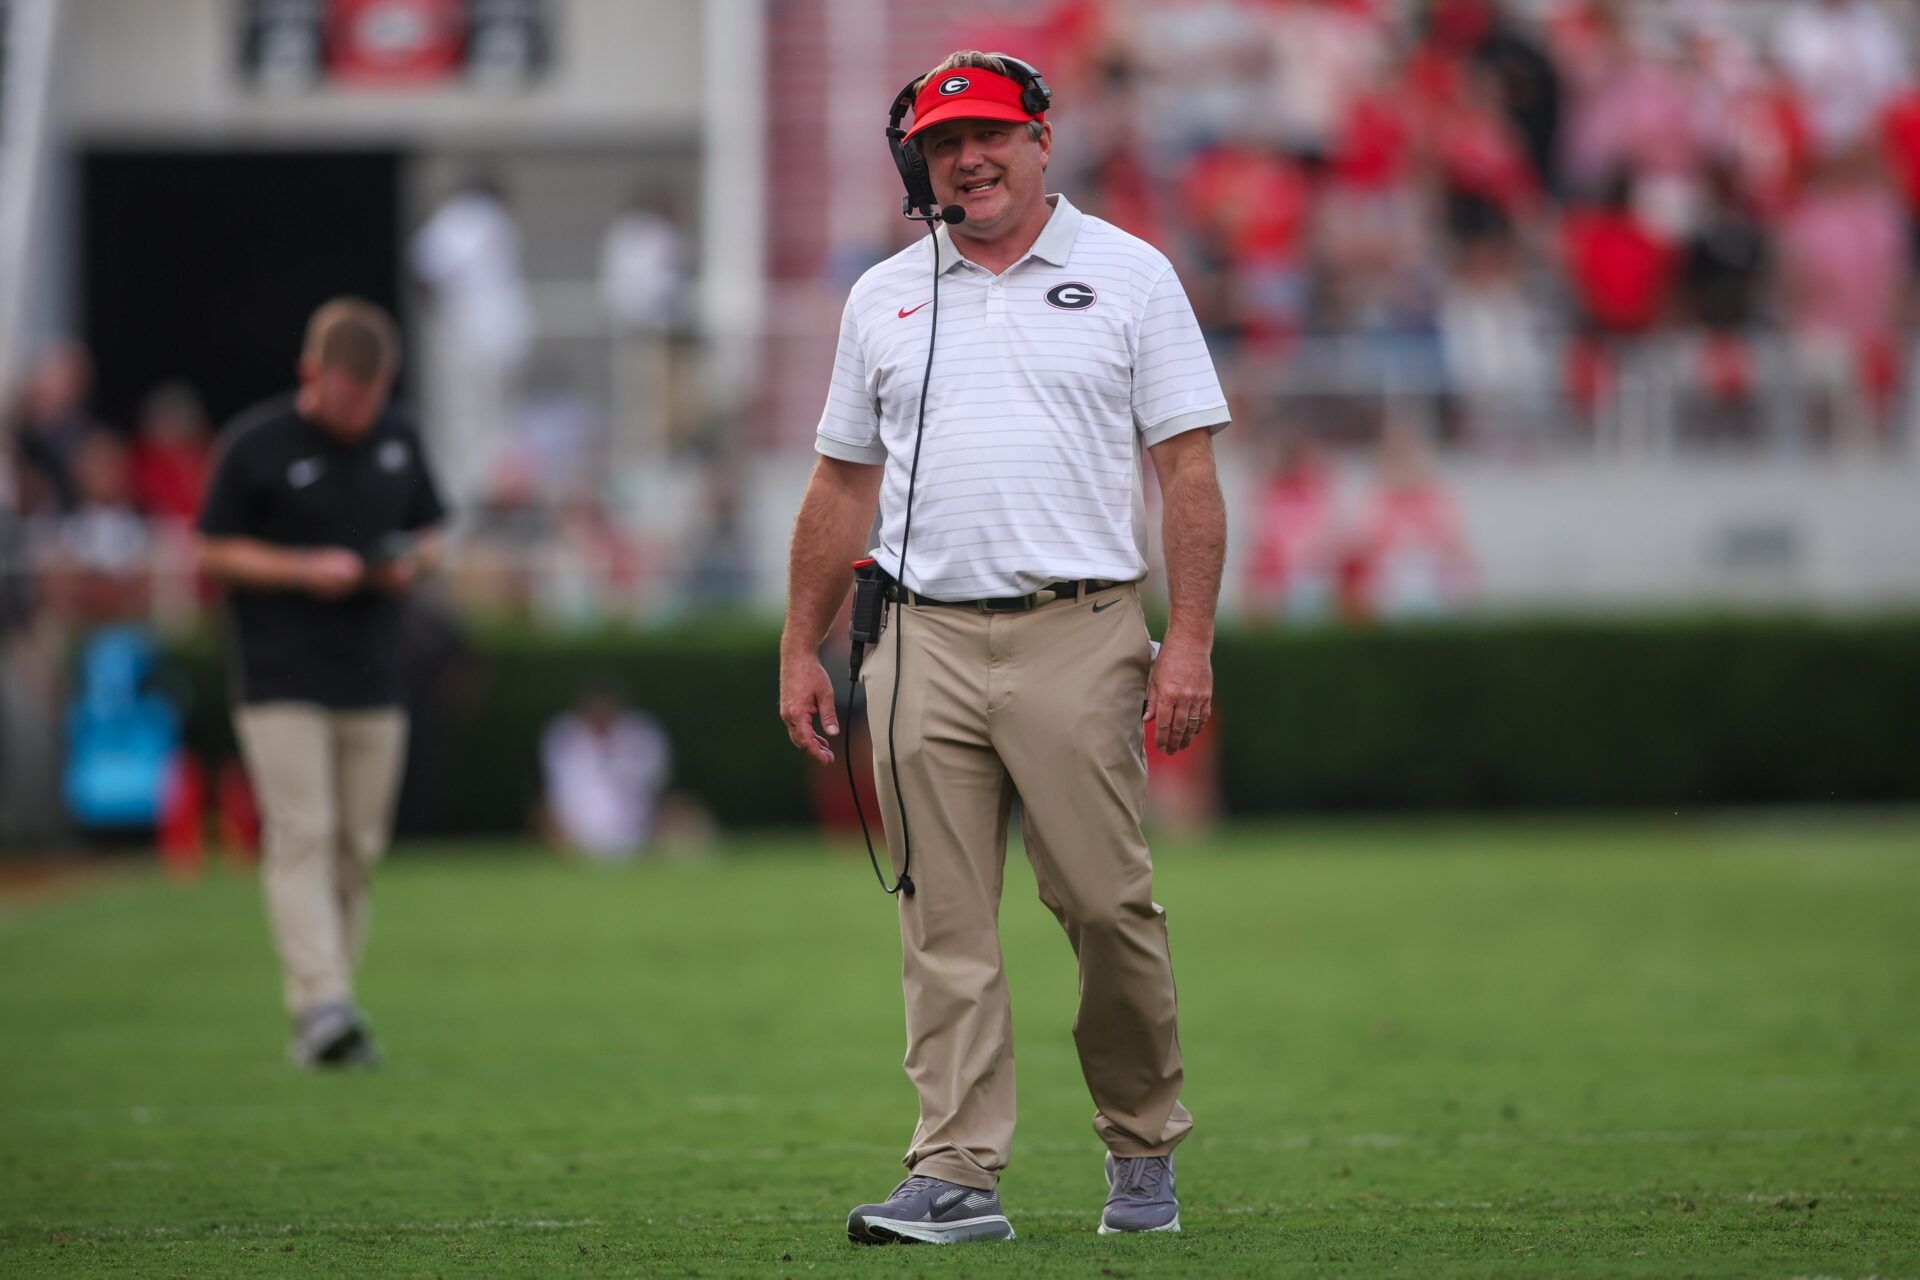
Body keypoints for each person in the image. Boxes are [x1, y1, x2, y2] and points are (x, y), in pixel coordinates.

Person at [778, 51, 1229, 1245]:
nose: (967, 160)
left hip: (1079, 626)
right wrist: (797, 648)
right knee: (941, 918)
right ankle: (956, 1170)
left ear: (1042, 139)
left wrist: (1187, 641)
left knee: (1104, 903)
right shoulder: (881, 294)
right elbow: (838, 484)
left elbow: (1186, 471)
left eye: (988, 136)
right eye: (940, 145)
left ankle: (1141, 1143)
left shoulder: (1131, 274)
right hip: (916, 635)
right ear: (915, 163)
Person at [196, 298, 446, 1068]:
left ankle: (327, 1009)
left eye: (374, 396)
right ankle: (323, 1004)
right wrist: (303, 570)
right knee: (302, 832)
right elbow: (211, 550)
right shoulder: (256, 444)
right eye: (349, 395)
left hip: (373, 674)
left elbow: (433, 530)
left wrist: (408, 563)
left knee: (355, 847)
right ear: (314, 375)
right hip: (280, 674)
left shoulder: (399, 439)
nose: (362, 411)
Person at [539, 682, 671, 859]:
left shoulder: (641, 733)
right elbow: (561, 788)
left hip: (635, 824)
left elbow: (651, 780)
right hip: (577, 829)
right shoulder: (565, 735)